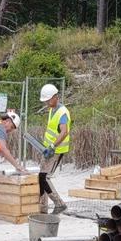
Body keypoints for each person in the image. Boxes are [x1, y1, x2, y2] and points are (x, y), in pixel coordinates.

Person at [39, 84, 71, 214]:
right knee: (40, 177)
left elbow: (64, 132)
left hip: (56, 151)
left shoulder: (63, 112)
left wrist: (53, 146)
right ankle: (42, 206)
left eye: (48, 100)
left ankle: (59, 203)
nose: (46, 103)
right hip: (49, 150)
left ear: (55, 97)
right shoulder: (52, 109)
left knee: (44, 178)